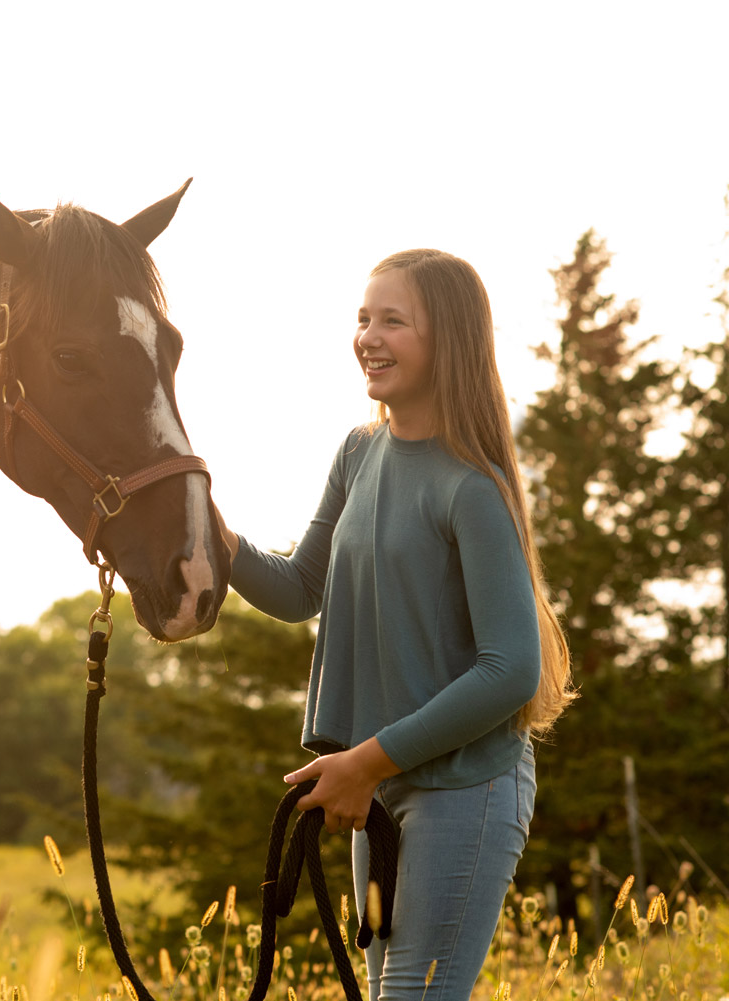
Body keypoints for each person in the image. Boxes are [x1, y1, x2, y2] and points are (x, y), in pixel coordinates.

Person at [218, 249, 573, 999]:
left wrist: (368, 759)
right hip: (378, 784)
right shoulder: (357, 452)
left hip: (465, 787)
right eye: (362, 318)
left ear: (447, 339)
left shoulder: (473, 488)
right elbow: (297, 587)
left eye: (393, 320)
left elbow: (511, 668)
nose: (368, 338)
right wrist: (216, 539)